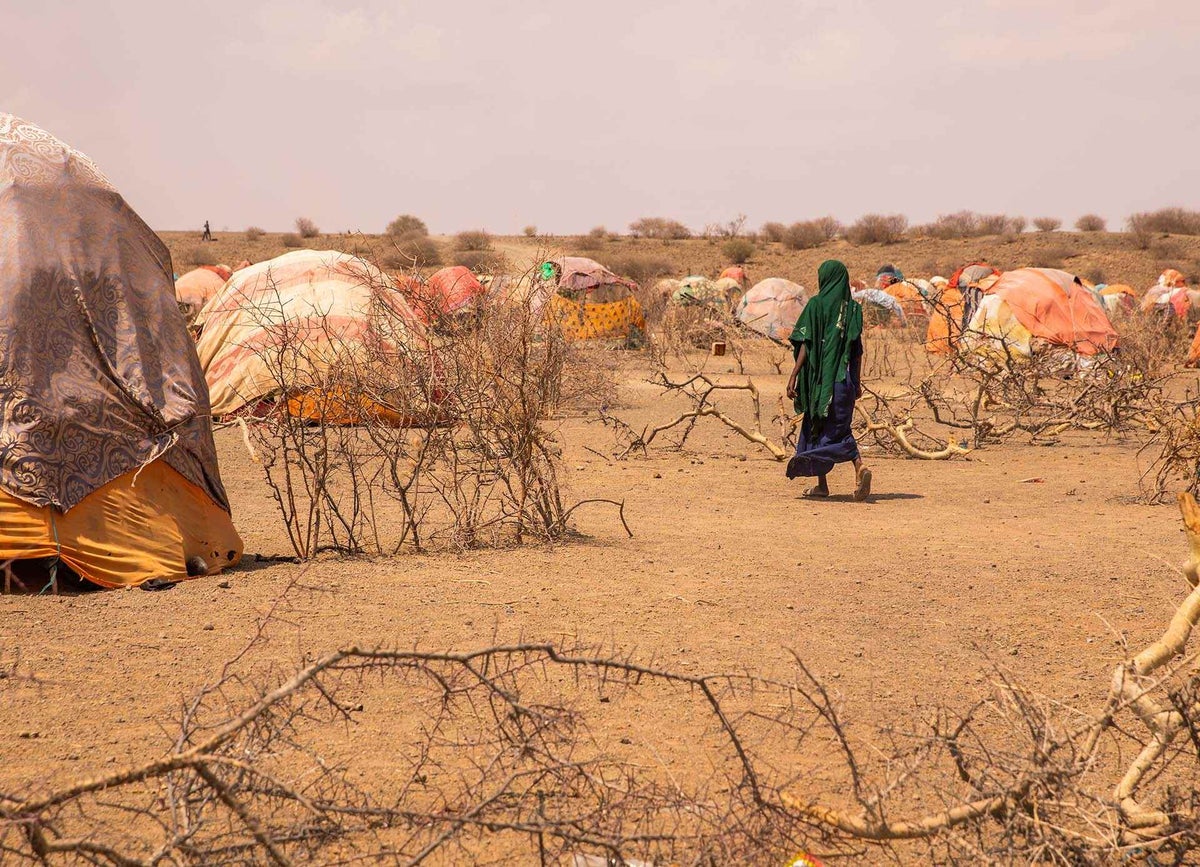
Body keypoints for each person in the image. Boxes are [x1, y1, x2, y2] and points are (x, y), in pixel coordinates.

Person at [785, 259, 872, 500]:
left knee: (816, 427)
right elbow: (856, 352)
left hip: (819, 383)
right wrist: (856, 382)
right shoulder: (853, 311)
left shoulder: (815, 305)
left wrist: (793, 375)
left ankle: (852, 470)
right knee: (837, 428)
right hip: (843, 382)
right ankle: (835, 479)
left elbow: (805, 343)